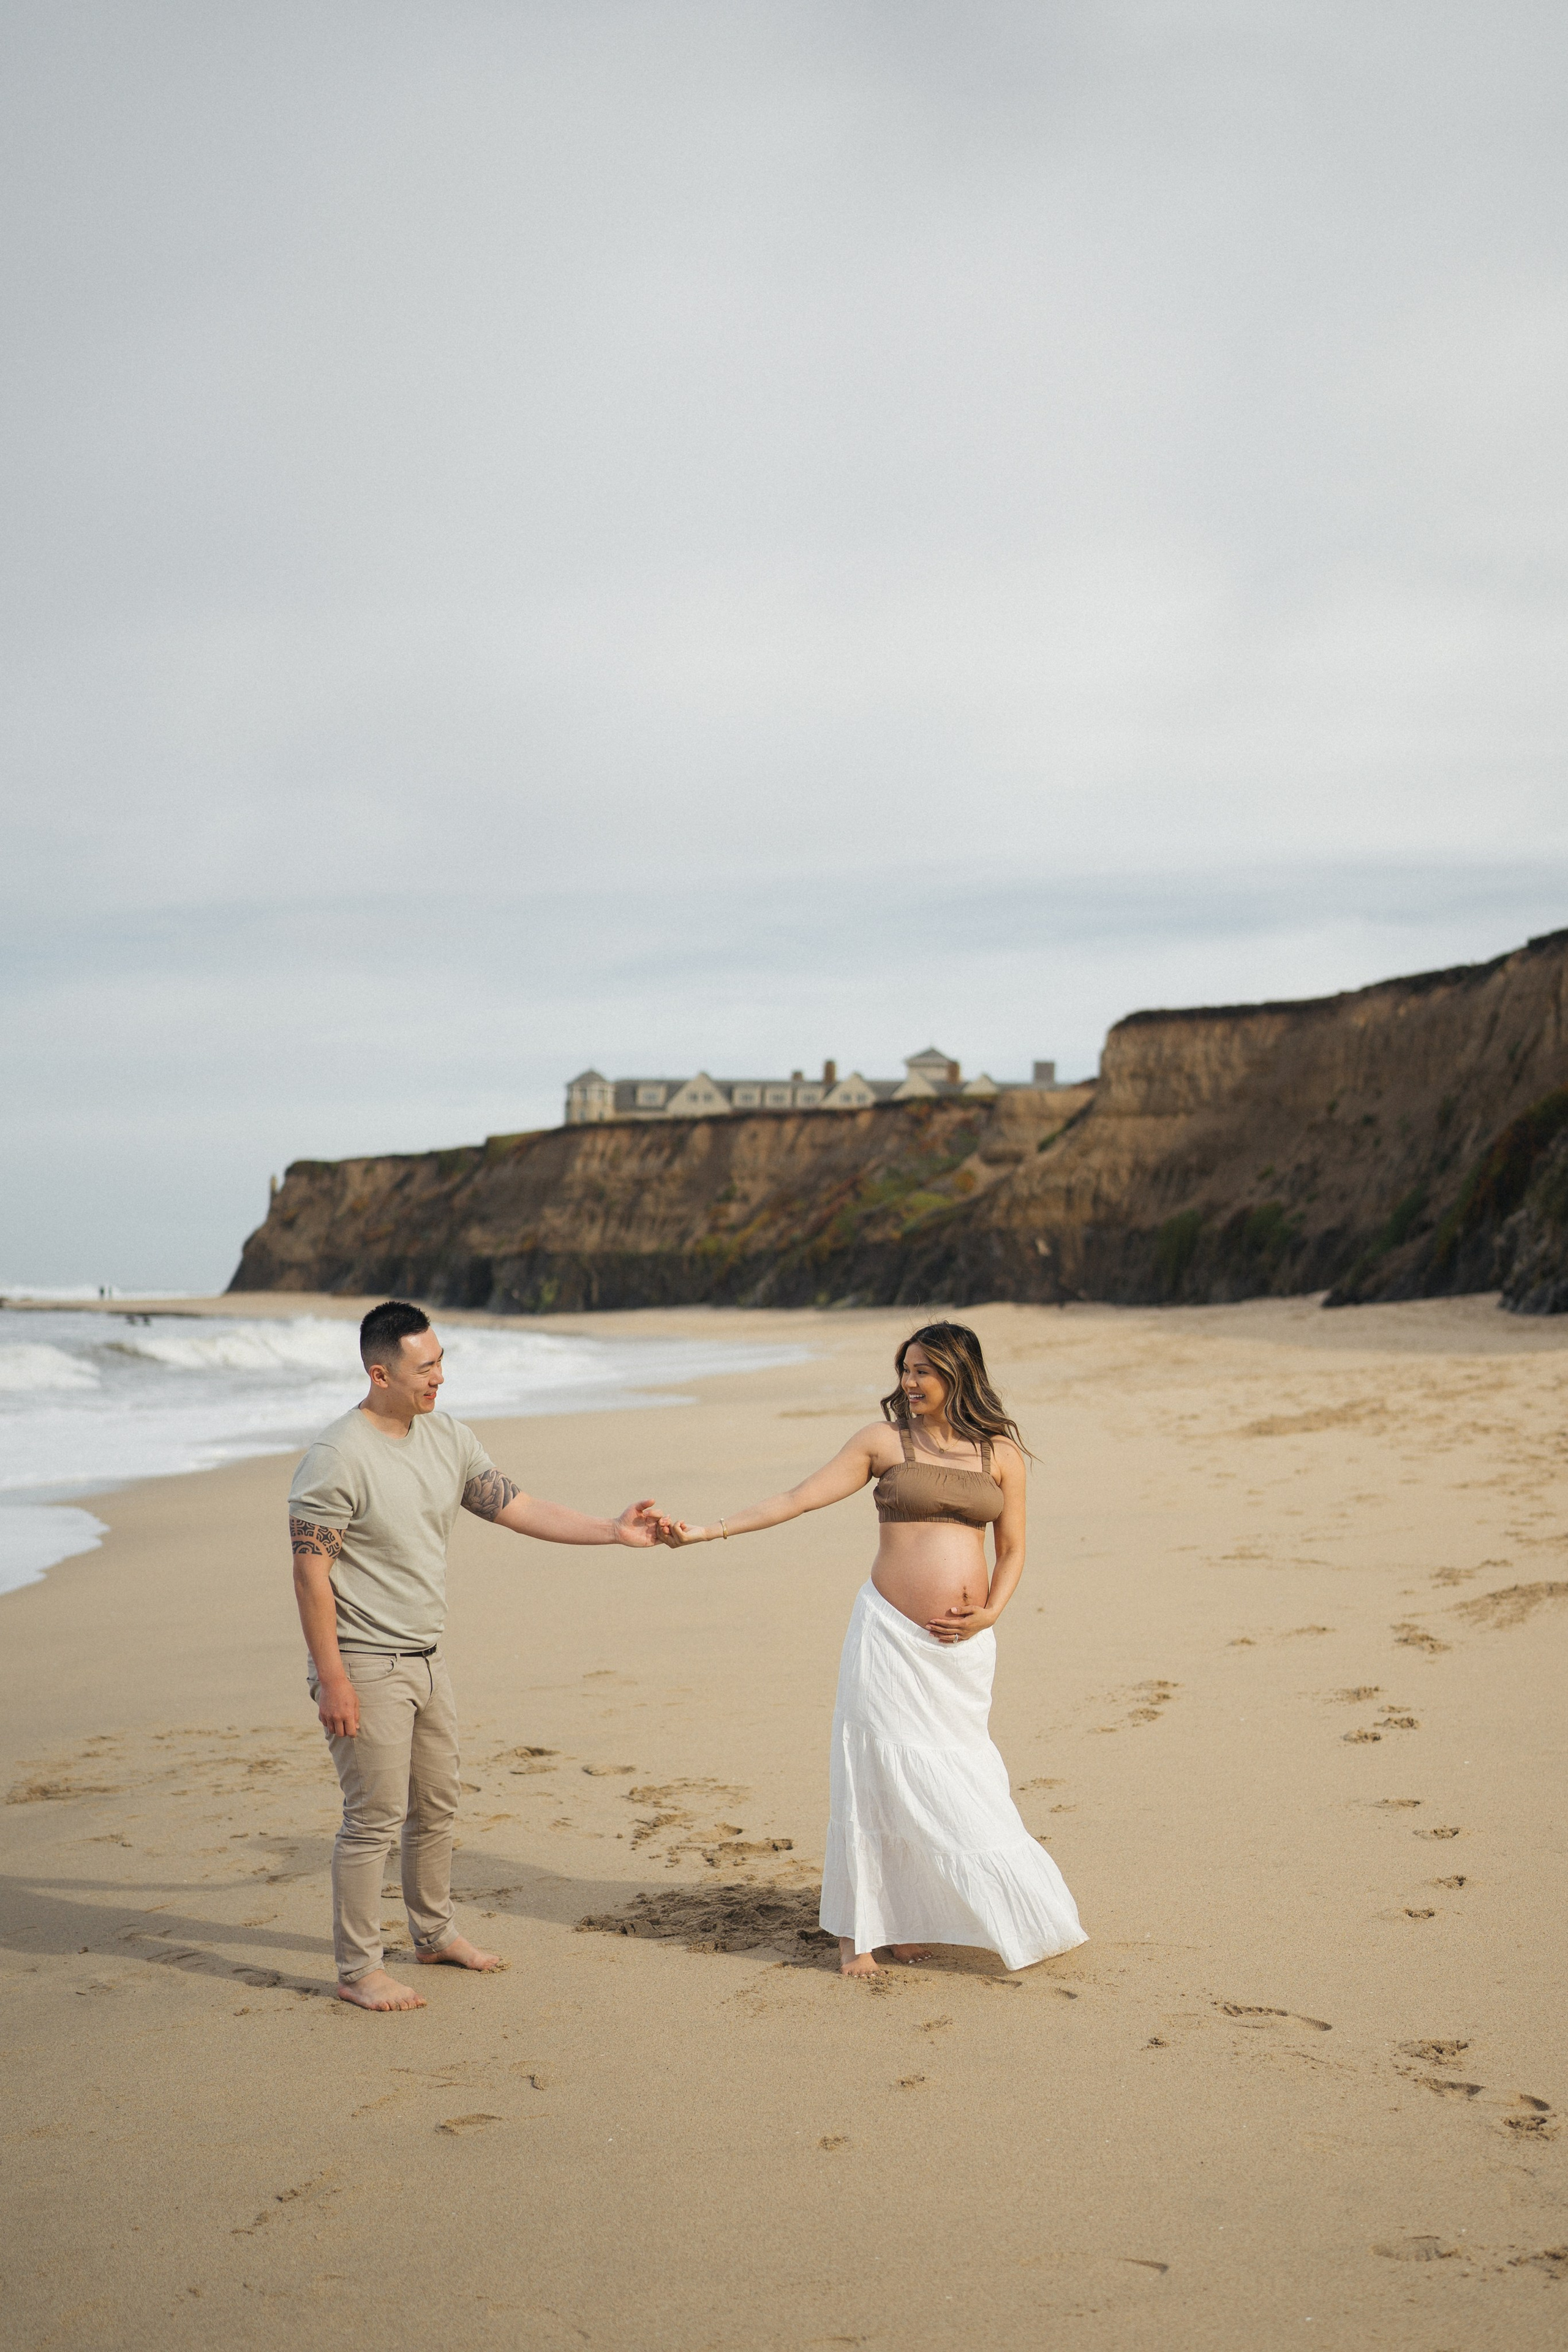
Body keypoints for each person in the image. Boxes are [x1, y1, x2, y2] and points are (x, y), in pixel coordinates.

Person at [658, 1322, 1086, 1977]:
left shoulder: (999, 1453)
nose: (908, 1382)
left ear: (958, 1374)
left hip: (961, 1651)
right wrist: (703, 1532)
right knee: (874, 1775)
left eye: (922, 1371)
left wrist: (992, 1612)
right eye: (904, 1370)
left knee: (960, 1774)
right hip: (888, 1637)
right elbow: (797, 1499)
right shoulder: (883, 1442)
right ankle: (858, 1934)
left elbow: (1014, 1547)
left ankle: (906, 1917)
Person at [288, 1298, 663, 2011]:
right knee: (373, 1818)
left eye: (441, 1363)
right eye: (424, 1368)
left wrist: (612, 1531)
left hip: (428, 1656)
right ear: (380, 1375)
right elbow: (310, 1575)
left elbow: (518, 1507)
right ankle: (359, 1970)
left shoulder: (447, 1436)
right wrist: (332, 1677)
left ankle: (432, 1934)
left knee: (436, 1804)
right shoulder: (336, 1457)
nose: (439, 1378)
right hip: (364, 1660)